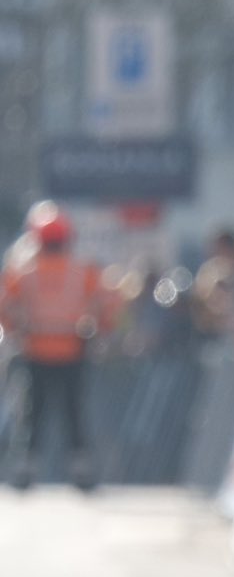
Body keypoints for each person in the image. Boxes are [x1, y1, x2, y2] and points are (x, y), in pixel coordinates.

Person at [0, 203, 121, 489]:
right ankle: (80, 469)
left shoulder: (23, 272)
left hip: (35, 350)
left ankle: (27, 466)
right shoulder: (83, 270)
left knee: (33, 412)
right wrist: (100, 329)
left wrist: (15, 330)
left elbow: (5, 305)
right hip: (72, 350)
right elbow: (109, 302)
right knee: (73, 410)